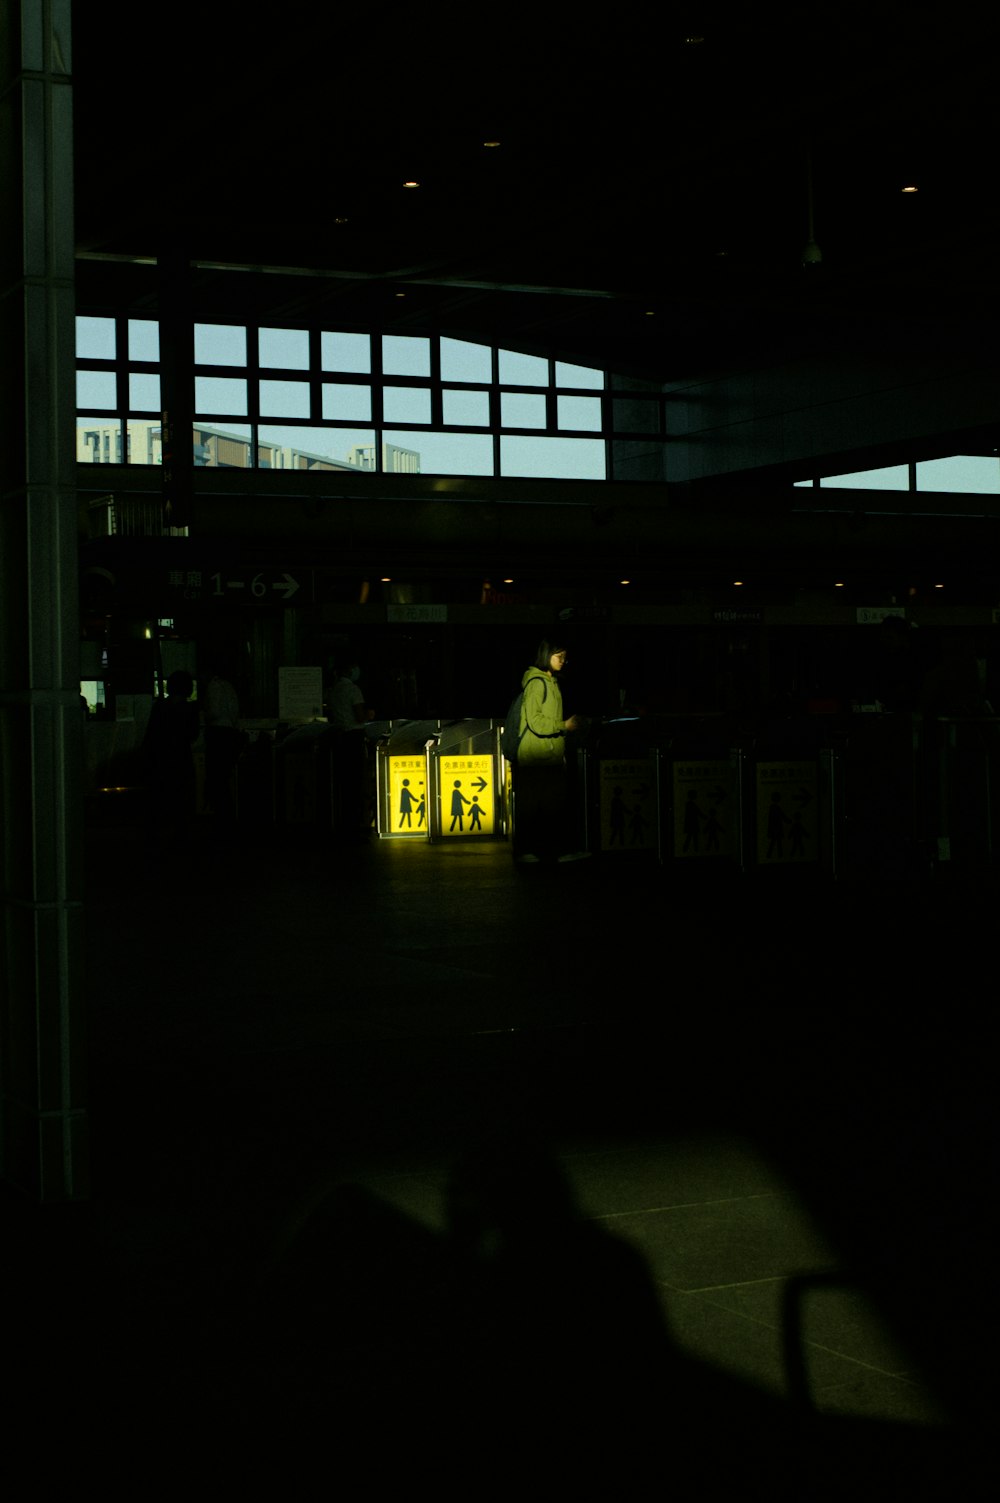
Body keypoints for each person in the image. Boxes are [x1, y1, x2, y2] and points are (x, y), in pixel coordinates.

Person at [511, 639, 587, 863]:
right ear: (546, 656)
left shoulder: (550, 682)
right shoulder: (538, 683)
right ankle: (536, 852)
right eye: (559, 656)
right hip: (536, 756)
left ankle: (545, 851)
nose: (563, 661)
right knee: (541, 806)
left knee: (546, 806)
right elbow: (535, 722)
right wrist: (564, 726)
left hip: (547, 754)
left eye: (565, 657)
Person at [202, 662, 244, 828]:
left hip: (218, 734)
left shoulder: (213, 687)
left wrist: (205, 715)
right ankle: (228, 816)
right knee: (224, 777)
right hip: (230, 734)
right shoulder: (228, 686)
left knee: (216, 778)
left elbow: (214, 712)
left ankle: (221, 816)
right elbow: (234, 712)